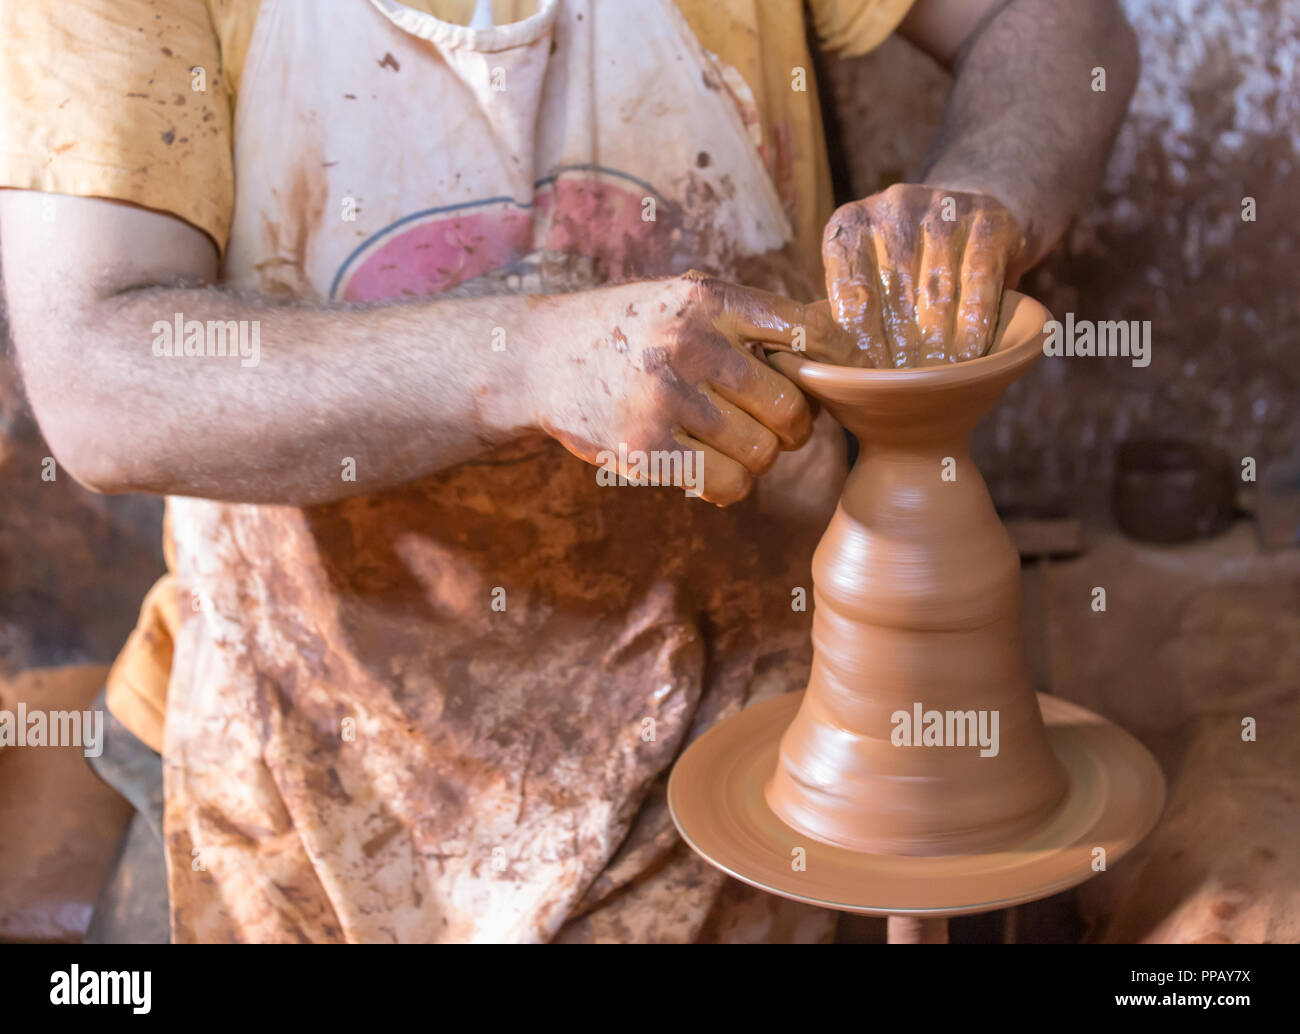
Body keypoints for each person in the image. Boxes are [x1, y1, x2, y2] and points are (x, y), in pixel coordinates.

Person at [0, 0, 1137, 942]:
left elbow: (1057, 28)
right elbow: (100, 377)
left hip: (750, 717)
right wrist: (525, 358)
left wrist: (984, 190)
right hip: (317, 743)